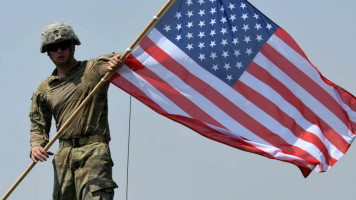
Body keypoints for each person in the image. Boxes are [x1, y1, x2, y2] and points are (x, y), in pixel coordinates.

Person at [29, 22, 123, 200]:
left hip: (93, 151)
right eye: (53, 47)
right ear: (47, 52)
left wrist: (116, 61)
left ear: (73, 46)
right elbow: (38, 123)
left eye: (64, 45)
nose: (59, 51)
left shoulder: (93, 69)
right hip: (64, 156)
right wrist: (36, 146)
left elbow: (122, 58)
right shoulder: (45, 88)